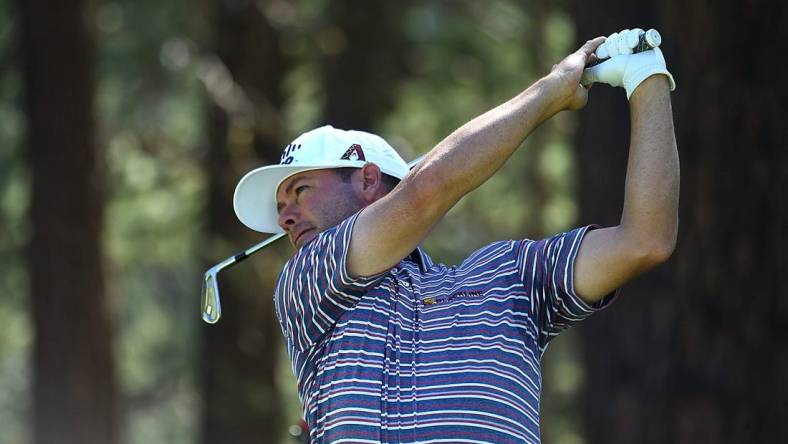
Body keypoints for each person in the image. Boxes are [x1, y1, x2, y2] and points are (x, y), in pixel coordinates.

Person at [233, 28, 678, 443]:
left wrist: (647, 78)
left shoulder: (509, 278)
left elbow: (645, 241)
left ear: (369, 181)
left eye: (300, 191)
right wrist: (550, 91)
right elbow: (424, 193)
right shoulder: (306, 282)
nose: (286, 218)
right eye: (280, 209)